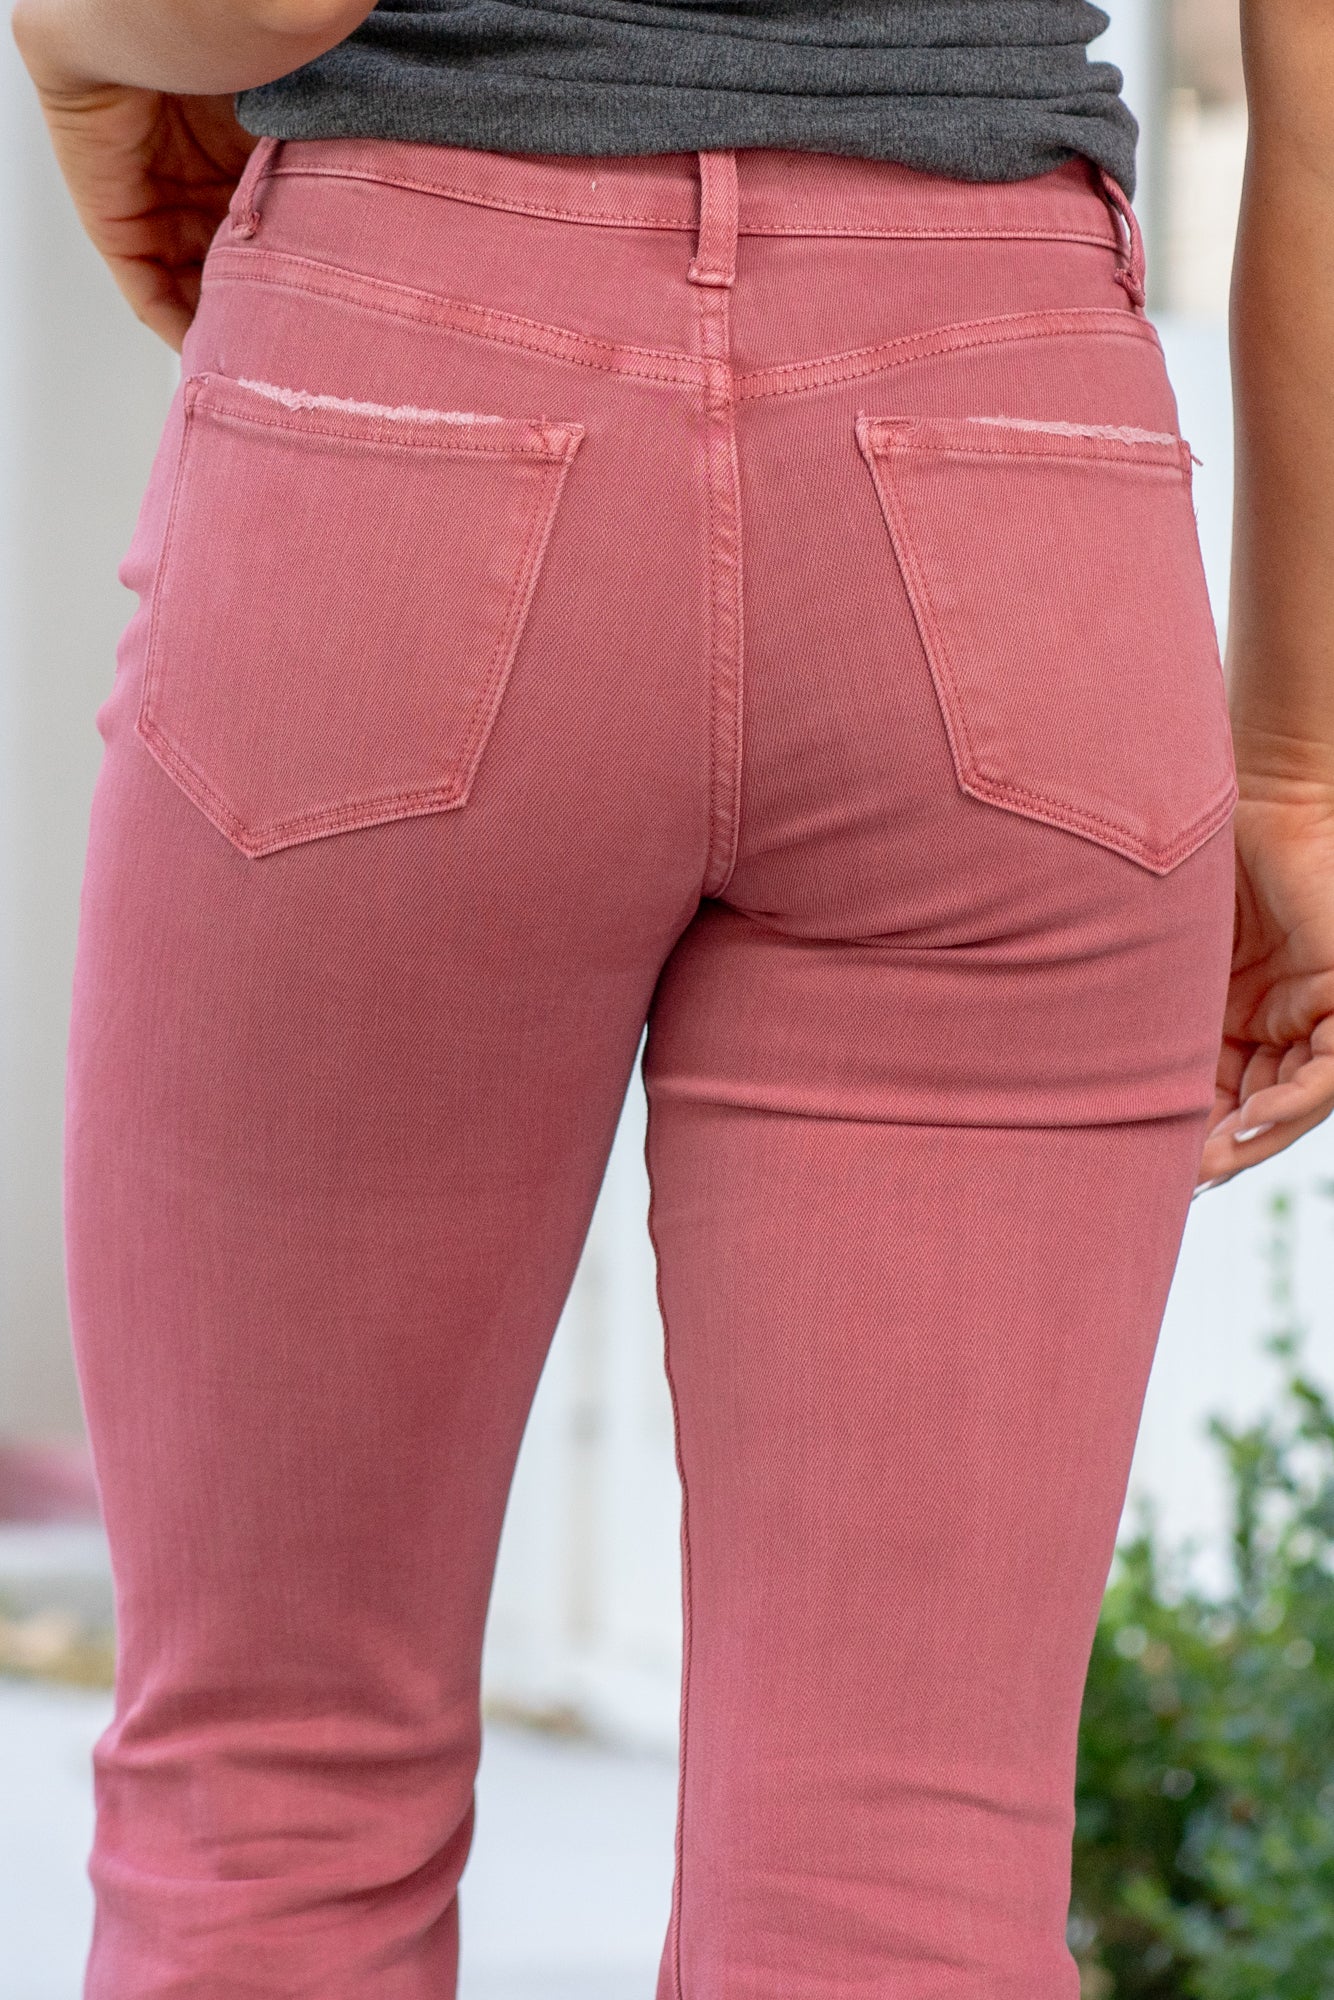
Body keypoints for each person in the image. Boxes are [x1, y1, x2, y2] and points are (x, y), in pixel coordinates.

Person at [10, 0, 1334, 1992]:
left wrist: (67, 39)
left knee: (270, 1808)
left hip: (409, 387)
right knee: (900, 1880)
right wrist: (1299, 759)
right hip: (1001, 450)